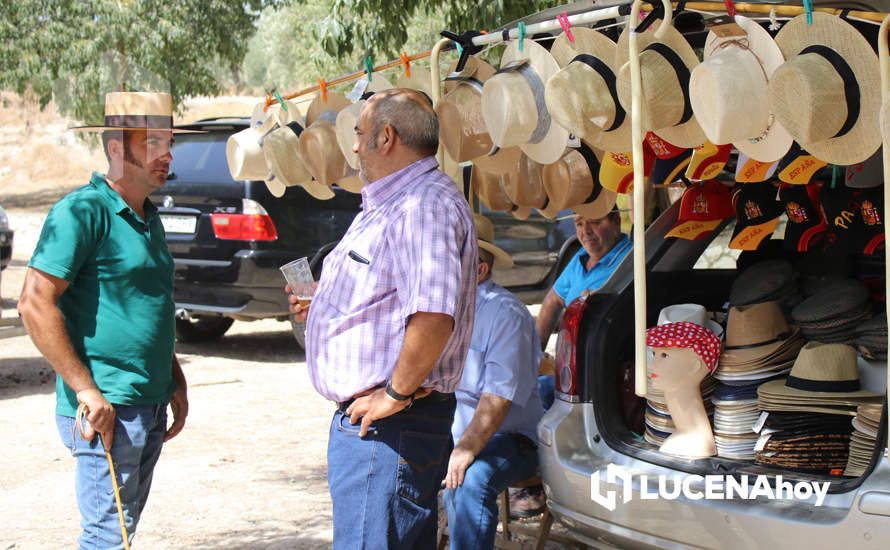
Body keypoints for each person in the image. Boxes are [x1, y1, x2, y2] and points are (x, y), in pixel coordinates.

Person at [288, 88, 476, 549]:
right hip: (383, 430)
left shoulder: (422, 204)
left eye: (359, 133)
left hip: (390, 430)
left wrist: (395, 393)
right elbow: (394, 298)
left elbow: (433, 315)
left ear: (386, 137)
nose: (353, 146)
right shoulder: (396, 201)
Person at [18, 91, 188, 549]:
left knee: (122, 531)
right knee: (108, 538)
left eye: (169, 142)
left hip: (147, 404)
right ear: (116, 149)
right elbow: (34, 303)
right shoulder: (82, 211)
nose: (167, 154)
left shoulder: (147, 216)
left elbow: (144, 305)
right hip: (106, 407)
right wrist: (86, 389)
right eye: (153, 142)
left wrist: (174, 378)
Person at [442, 214, 544, 550]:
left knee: (470, 480)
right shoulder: (442, 309)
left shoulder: (504, 314)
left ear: (480, 270)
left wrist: (465, 449)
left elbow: (497, 399)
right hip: (455, 431)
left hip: (512, 439)